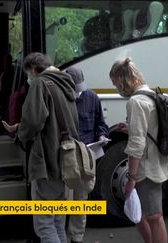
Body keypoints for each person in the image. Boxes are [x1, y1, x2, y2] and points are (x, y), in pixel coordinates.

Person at [3, 52, 78, 243]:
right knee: (58, 221)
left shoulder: (40, 83)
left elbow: (34, 121)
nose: (28, 79)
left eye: (28, 74)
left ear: (34, 70)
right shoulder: (65, 83)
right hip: (66, 160)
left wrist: (20, 134)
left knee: (44, 223)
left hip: (47, 160)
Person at [109, 58, 168, 243]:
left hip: (146, 169)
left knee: (154, 216)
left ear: (122, 80)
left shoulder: (136, 101)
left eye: (116, 84)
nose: (117, 89)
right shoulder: (151, 95)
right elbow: (151, 130)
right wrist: (130, 128)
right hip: (157, 162)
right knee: (144, 215)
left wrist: (131, 177)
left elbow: (137, 143)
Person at [65, 67, 109, 243]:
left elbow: (100, 123)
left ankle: (77, 237)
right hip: (67, 155)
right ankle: (60, 235)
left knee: (81, 198)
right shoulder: (61, 98)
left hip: (87, 155)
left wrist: (102, 135)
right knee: (65, 198)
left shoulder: (91, 97)